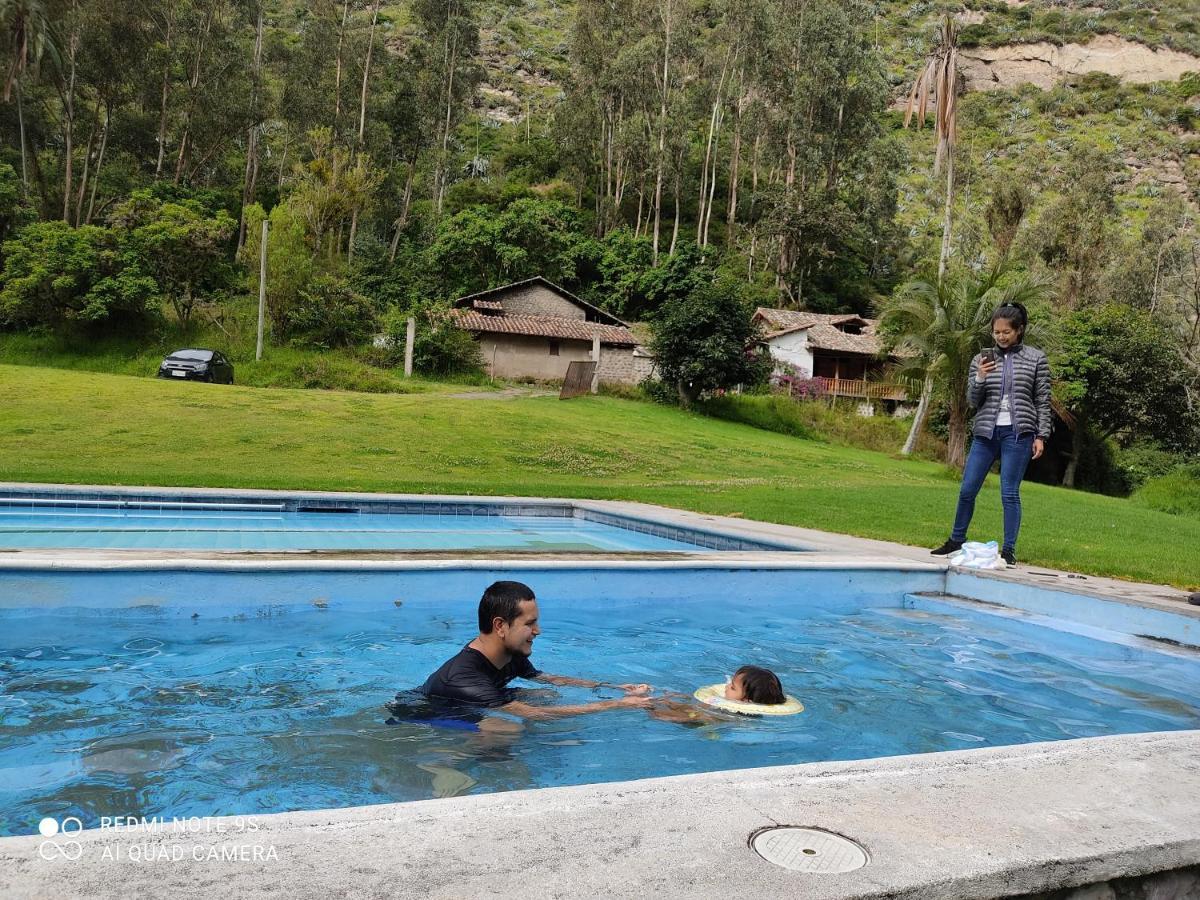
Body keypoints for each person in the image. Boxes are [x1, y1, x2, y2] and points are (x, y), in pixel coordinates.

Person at [397, 580, 651, 732]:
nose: (537, 631)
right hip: (424, 713)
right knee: (508, 730)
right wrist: (615, 705)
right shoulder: (465, 678)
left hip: (476, 701)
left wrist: (618, 688)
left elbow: (550, 679)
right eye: (530, 624)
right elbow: (535, 715)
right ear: (500, 626)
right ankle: (460, 763)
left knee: (547, 696)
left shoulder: (510, 652)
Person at [930, 301, 1051, 567]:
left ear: (1019, 330)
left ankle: (1008, 551)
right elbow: (973, 400)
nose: (1000, 337)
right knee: (967, 489)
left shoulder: (1036, 359)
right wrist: (981, 378)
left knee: (1009, 493)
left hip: (1019, 434)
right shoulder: (981, 359)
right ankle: (956, 540)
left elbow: (1042, 400)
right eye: (996, 332)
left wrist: (1041, 435)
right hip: (986, 432)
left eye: (1006, 332)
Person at [647, 665, 788, 725]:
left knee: (650, 707)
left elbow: (698, 718)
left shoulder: (734, 718)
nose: (726, 687)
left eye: (732, 687)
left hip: (701, 722)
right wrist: (672, 702)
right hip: (700, 714)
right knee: (667, 701)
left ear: (747, 701)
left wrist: (651, 707)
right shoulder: (726, 706)